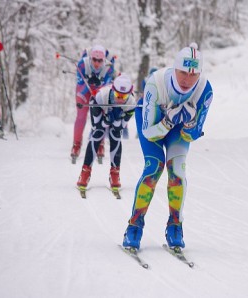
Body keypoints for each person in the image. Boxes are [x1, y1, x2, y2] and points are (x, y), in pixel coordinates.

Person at [122, 43, 213, 250]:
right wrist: (168, 122)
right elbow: (148, 132)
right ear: (174, 68)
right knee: (154, 167)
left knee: (177, 171)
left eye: (193, 75)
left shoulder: (204, 91)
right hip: (154, 125)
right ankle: (134, 226)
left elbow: (192, 134)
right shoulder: (156, 83)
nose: (186, 80)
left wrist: (189, 124)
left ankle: (175, 226)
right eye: (182, 72)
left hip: (177, 130)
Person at [76, 73, 136, 194]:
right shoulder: (100, 96)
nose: (120, 99)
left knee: (115, 134)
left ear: (129, 95)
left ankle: (115, 173)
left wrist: (115, 120)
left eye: (123, 97)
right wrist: (106, 121)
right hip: (99, 106)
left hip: (117, 115)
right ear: (113, 90)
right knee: (97, 133)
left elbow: (121, 127)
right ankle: (85, 172)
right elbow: (96, 125)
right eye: (117, 95)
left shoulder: (131, 103)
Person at [71, 44, 115, 163]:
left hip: (100, 91)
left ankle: (100, 144)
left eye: (99, 60)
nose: (96, 63)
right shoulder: (82, 64)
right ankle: (76, 145)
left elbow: (106, 88)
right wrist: (89, 80)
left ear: (104, 60)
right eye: (94, 60)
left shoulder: (109, 67)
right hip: (83, 90)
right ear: (90, 58)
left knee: (100, 117)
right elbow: (80, 83)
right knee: (81, 116)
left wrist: (98, 85)